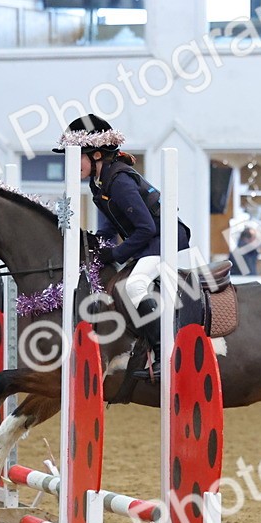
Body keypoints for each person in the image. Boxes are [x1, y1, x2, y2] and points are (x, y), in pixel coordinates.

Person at [54, 114, 191, 379]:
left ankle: (165, 352)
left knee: (135, 284)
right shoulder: (100, 183)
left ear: (95, 155)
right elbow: (111, 226)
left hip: (164, 237)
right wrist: (96, 246)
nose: (70, 166)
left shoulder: (119, 181)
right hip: (147, 240)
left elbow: (146, 228)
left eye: (75, 157)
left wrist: (115, 253)